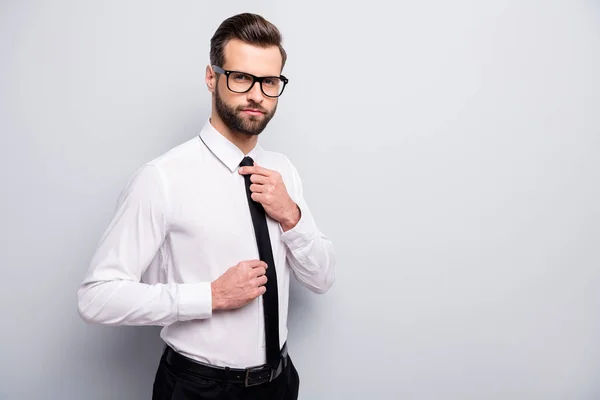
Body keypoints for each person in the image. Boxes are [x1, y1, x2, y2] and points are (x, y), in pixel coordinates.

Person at [76, 12, 336, 400]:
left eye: (269, 82)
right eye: (241, 77)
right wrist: (210, 296)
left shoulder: (283, 171)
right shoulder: (162, 177)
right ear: (212, 78)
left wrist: (291, 216)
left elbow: (322, 278)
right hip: (198, 389)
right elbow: (96, 297)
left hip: (279, 383)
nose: (256, 95)